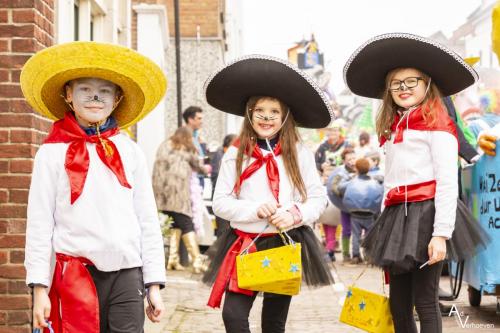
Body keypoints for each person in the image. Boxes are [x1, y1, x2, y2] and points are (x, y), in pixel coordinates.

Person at [344, 33, 489, 333]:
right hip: (397, 218)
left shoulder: (439, 127)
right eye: (397, 83)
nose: (404, 88)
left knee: (425, 301)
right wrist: (383, 222)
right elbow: (390, 182)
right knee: (398, 304)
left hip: (429, 214)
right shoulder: (393, 127)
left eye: (412, 81)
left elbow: (448, 183)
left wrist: (441, 234)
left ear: (427, 85)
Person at [21, 41, 167, 332]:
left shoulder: (129, 151)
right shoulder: (51, 154)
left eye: (104, 91)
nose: (95, 97)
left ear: (116, 100)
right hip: (75, 274)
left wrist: (153, 282)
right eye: (85, 89)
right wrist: (39, 288)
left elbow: (147, 219)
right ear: (68, 95)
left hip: (127, 274)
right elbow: (39, 224)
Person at [202, 55, 335, 333]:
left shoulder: (300, 154)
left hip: (283, 242)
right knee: (234, 317)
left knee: (274, 322)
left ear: (285, 116)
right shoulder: (235, 155)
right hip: (245, 244)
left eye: (274, 111)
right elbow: (221, 203)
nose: (266, 117)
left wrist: (296, 214)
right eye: (259, 110)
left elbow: (317, 198)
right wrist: (254, 209)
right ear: (249, 114)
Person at [152, 126, 209, 274]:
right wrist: (206, 169)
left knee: (174, 224)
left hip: (161, 193)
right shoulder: (187, 148)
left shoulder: (164, 145)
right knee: (186, 223)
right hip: (178, 193)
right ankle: (197, 260)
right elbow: (197, 165)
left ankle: (172, 260)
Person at [341, 158, 383, 265]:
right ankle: (369, 257)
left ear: (356, 169)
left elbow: (339, 187)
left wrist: (347, 177)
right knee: (369, 236)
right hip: (370, 214)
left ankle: (355, 256)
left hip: (355, 213)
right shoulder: (375, 183)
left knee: (356, 235)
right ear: (369, 169)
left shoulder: (352, 182)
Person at [327, 147, 357, 262]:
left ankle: (357, 254)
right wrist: (349, 183)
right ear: (344, 160)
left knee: (358, 231)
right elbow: (335, 189)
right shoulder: (340, 173)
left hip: (359, 207)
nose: (352, 161)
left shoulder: (360, 168)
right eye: (349, 159)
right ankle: (345, 254)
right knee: (346, 230)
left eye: (354, 158)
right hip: (345, 206)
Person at [183, 106, 209, 187]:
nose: (201, 121)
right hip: (191, 181)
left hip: (198, 178)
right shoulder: (184, 137)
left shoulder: (195, 136)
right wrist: (205, 169)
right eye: (199, 118)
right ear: (190, 119)